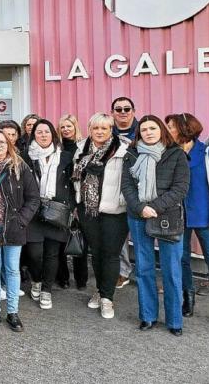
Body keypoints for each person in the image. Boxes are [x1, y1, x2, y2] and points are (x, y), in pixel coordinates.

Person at [121, 115, 189, 335]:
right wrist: (141, 207)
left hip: (168, 216)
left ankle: (174, 321)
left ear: (161, 130)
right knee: (144, 268)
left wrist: (155, 207)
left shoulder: (176, 154)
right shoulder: (131, 155)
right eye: (144, 129)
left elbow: (180, 188)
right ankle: (148, 316)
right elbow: (127, 186)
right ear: (139, 133)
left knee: (171, 270)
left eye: (153, 128)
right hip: (139, 215)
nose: (148, 132)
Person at [0, 130, 39, 333]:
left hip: (14, 227)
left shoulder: (19, 166)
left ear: (9, 144)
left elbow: (33, 198)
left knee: (12, 270)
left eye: (2, 142)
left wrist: (21, 221)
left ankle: (12, 312)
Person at [72, 112, 129, 319]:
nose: (100, 132)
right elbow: (75, 178)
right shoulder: (81, 148)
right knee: (96, 253)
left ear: (111, 129)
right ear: (90, 129)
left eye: (104, 128)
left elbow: (130, 179)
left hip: (115, 210)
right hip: (89, 209)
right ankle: (99, 289)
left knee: (111, 254)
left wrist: (124, 200)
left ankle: (107, 298)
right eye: (96, 128)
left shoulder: (123, 149)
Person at [21, 120, 75, 310]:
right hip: (34, 211)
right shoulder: (25, 157)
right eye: (39, 132)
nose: (43, 135)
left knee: (52, 254)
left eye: (46, 132)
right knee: (34, 254)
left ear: (53, 134)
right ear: (33, 135)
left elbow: (74, 184)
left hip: (56, 211)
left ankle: (46, 290)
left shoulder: (66, 157)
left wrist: (72, 206)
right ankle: (36, 280)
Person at [167, 113, 209, 313]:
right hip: (178, 215)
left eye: (171, 127)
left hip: (204, 215)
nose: (167, 130)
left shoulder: (206, 152)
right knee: (181, 258)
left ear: (184, 129)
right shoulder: (170, 152)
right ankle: (188, 296)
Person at [57, 114, 87, 289]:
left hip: (78, 199)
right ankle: (63, 277)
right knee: (60, 241)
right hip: (61, 199)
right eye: (63, 127)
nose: (66, 130)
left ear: (76, 127)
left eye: (69, 126)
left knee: (78, 238)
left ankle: (81, 279)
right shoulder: (57, 149)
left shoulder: (83, 147)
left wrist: (76, 203)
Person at [111, 97, 137, 290]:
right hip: (114, 188)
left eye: (127, 108)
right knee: (118, 235)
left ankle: (146, 274)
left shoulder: (143, 130)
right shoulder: (107, 131)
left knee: (143, 233)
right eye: (118, 109)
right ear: (113, 112)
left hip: (139, 190)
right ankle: (123, 271)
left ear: (133, 112)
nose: (123, 112)